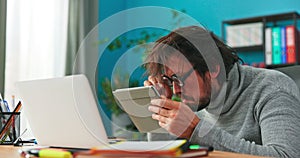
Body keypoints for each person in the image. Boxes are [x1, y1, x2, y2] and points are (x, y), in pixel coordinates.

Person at [143, 25, 300, 157]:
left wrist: (197, 130)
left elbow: (285, 155)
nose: (176, 90)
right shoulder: (198, 99)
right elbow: (160, 152)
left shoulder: (272, 88)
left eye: (179, 78)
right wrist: (160, 106)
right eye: (170, 81)